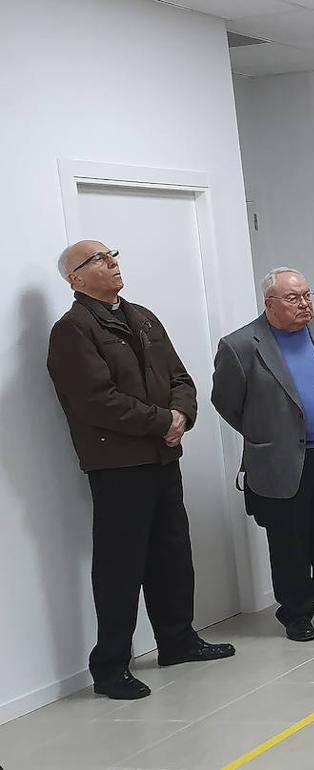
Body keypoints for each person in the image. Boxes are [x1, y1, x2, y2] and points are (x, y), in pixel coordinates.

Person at [47, 240, 235, 700]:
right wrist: (162, 422)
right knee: (119, 567)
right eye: (98, 259)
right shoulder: (72, 329)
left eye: (112, 256)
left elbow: (180, 378)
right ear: (74, 278)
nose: (112, 263)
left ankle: (177, 640)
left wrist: (181, 416)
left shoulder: (142, 316)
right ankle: (111, 667)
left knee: (172, 553)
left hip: (162, 457)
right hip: (117, 465)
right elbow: (96, 401)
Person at [212, 268, 314, 642]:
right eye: (293, 298)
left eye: (307, 296)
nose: (304, 304)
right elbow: (227, 402)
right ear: (269, 304)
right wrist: (266, 434)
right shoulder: (241, 345)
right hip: (279, 459)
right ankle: (296, 612)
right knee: (289, 540)